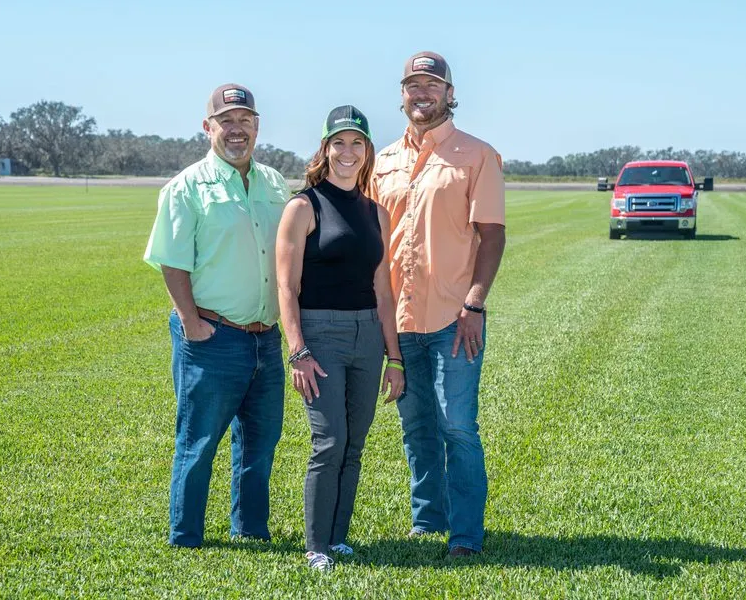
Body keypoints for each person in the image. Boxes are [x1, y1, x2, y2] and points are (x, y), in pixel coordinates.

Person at [370, 52, 506, 558]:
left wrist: (475, 303)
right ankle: (428, 517)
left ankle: (466, 535)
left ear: (449, 93)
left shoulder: (477, 155)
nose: (421, 93)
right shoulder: (381, 161)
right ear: (402, 94)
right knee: (416, 423)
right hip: (399, 321)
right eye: (412, 85)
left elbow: (491, 236)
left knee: (458, 427)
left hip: (455, 319)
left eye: (432, 84)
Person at [143, 83, 289, 548]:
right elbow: (172, 260)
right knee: (198, 442)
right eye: (226, 121)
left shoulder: (273, 183)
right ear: (208, 128)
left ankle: (250, 528)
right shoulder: (186, 188)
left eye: (245, 120)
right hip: (212, 335)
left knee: (260, 443)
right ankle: (186, 535)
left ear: (257, 126)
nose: (236, 129)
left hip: (265, 336)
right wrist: (190, 322)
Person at [276, 105, 405, 571]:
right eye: (339, 143)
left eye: (357, 143)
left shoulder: (377, 213)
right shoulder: (303, 206)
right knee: (328, 440)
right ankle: (315, 547)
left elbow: (383, 292)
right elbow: (287, 288)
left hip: (367, 335)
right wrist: (298, 350)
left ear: (367, 150)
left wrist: (395, 358)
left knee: (354, 442)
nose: (347, 152)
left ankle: (338, 537)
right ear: (325, 149)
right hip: (320, 334)